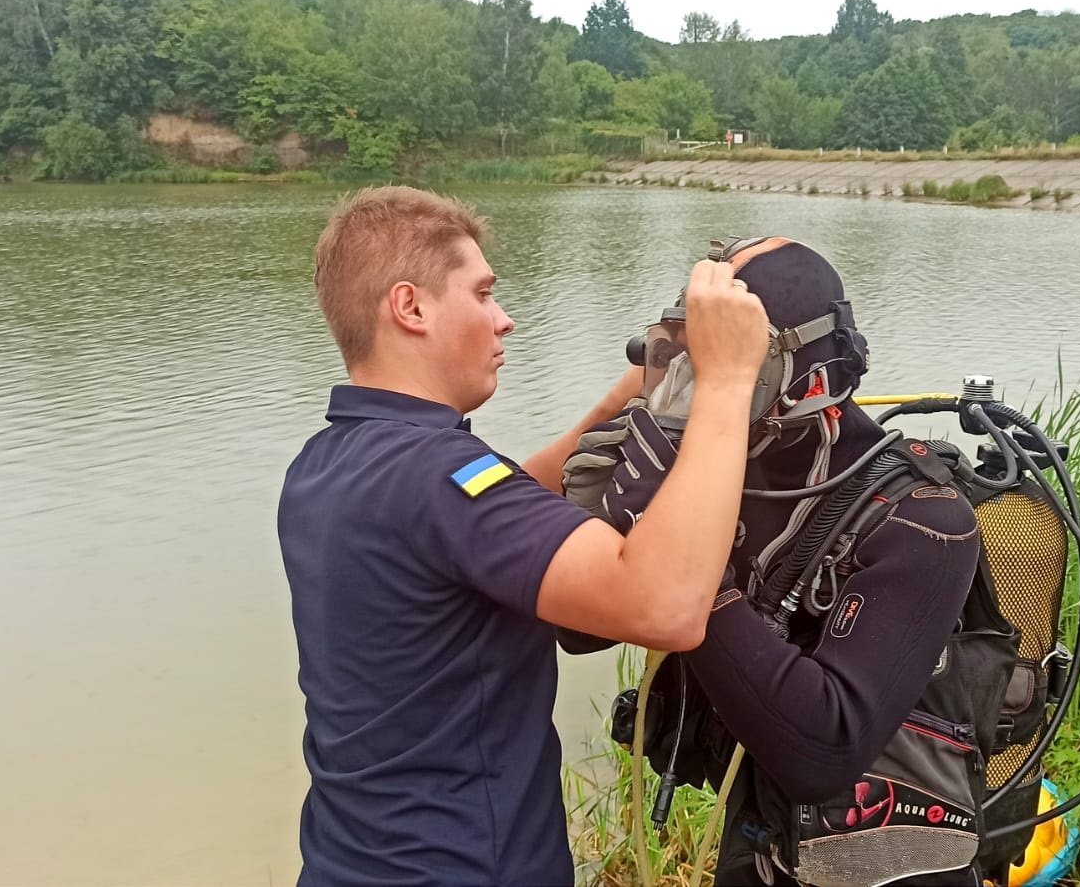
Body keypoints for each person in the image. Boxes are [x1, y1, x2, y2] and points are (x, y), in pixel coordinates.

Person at [277, 186, 768, 887]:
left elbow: (508, 501)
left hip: (348, 862)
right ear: (410, 306)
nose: (504, 320)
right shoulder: (440, 480)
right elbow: (666, 606)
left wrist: (635, 390)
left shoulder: (329, 463)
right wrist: (726, 381)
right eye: (482, 294)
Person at [562, 238, 1005, 886]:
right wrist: (616, 523)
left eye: (734, 364)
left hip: (890, 866)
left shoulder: (924, 520)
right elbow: (578, 630)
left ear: (815, 383)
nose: (703, 387)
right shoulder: (719, 473)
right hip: (760, 844)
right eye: (687, 357)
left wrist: (688, 566)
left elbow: (823, 750)